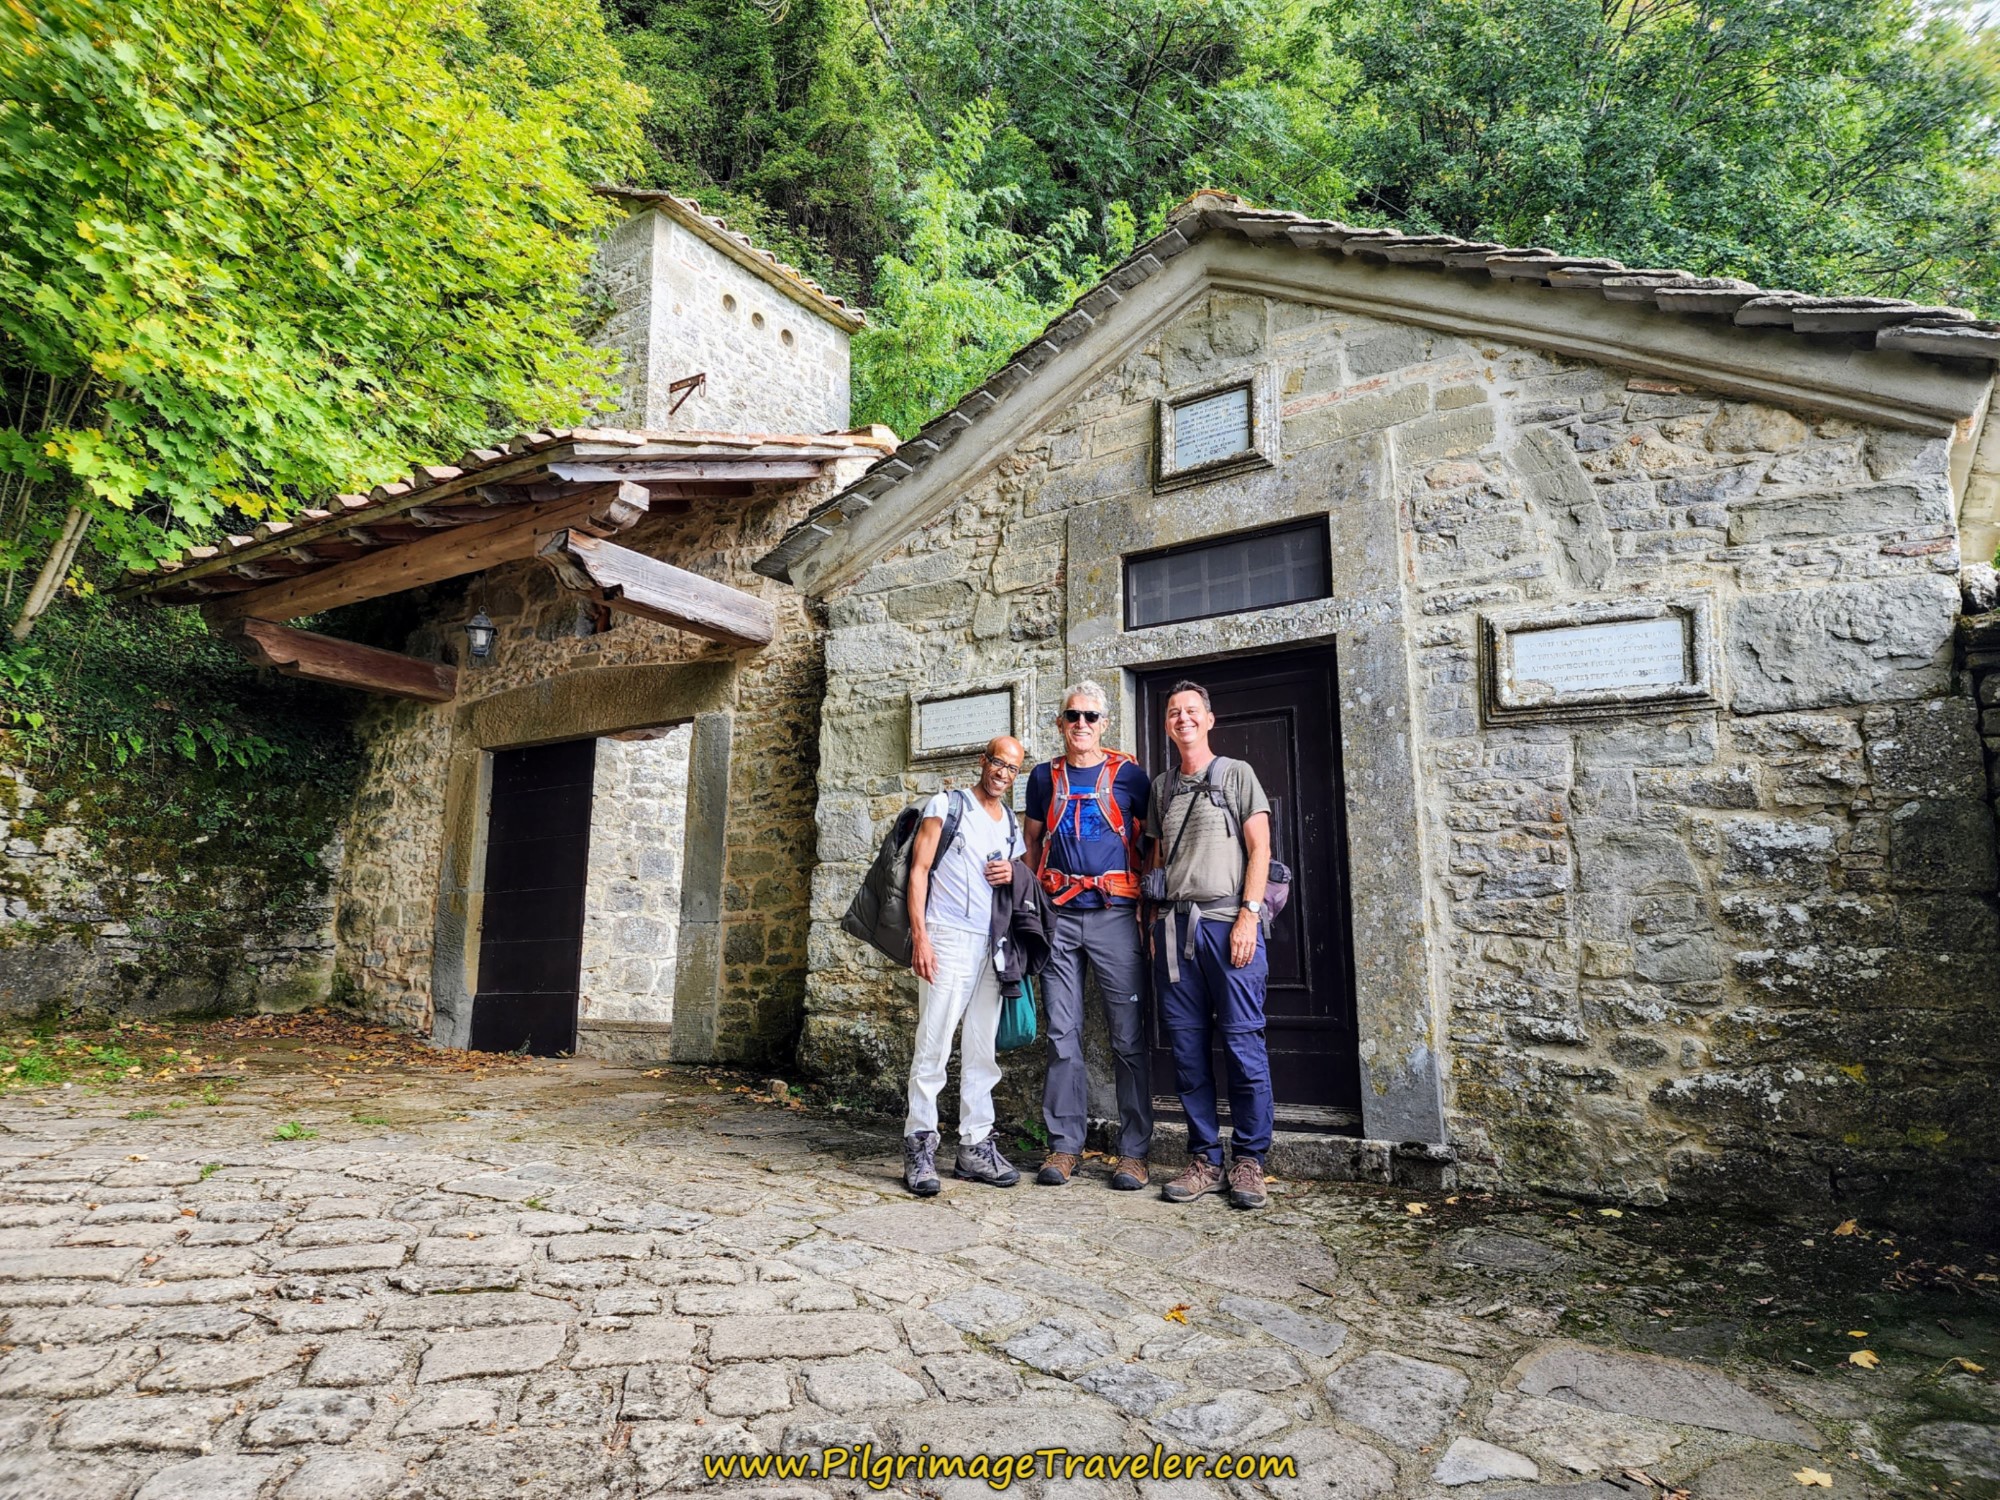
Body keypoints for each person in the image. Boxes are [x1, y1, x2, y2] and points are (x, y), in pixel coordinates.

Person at [1146, 681, 1274, 1210]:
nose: (1183, 719)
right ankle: (1204, 1158)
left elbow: (1260, 848)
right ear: (1167, 724)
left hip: (1228, 925)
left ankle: (1250, 1160)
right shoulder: (1161, 787)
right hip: (1175, 932)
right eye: (1174, 712)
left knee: (1243, 1047)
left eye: (1192, 711)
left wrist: (1249, 916)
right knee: (1188, 1052)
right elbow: (1157, 860)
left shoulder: (1237, 774)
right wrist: (1152, 926)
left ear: (1209, 719)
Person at [1023, 682, 1153, 1190]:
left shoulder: (1131, 776)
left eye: (1091, 716)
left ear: (1104, 723)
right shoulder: (1043, 777)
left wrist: (1148, 907)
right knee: (1061, 1034)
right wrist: (1026, 911)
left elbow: (1153, 842)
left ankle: (1134, 1152)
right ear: (1060, 723)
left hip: (1114, 915)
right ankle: (1064, 1145)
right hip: (1058, 916)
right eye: (1073, 716)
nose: (1081, 724)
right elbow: (1031, 844)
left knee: (1128, 1036)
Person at [902, 735, 1029, 1197]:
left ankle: (974, 1146)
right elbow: (919, 870)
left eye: (1011, 768)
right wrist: (921, 937)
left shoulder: (1010, 821)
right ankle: (919, 1144)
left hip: (992, 945)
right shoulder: (947, 805)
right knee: (933, 1046)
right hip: (947, 938)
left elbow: (1016, 878)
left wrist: (1013, 873)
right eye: (997, 763)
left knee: (981, 1050)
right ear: (983, 761)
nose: (1002, 773)